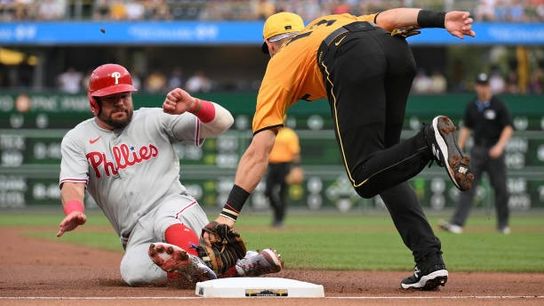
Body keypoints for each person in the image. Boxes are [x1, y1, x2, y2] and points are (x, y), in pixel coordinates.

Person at [204, 9, 476, 291]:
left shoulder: (280, 62)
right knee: (386, 168)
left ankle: (427, 140)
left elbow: (259, 150)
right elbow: (392, 19)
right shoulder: (327, 23)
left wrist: (228, 215)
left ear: (271, 45)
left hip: (351, 56)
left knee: (364, 176)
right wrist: (440, 20)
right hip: (396, 50)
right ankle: (429, 261)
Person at [56, 63, 282, 288]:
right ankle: (238, 266)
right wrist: (74, 210)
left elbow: (223, 122)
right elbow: (72, 183)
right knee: (133, 273)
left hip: (175, 209)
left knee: (165, 220)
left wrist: (194, 104)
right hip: (135, 232)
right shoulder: (78, 138)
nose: (120, 102)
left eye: (124, 95)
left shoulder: (155, 119)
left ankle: (198, 262)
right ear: (94, 102)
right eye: (111, 98)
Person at [440, 72, 513, 234]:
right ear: (476, 87)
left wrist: (500, 146)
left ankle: (503, 225)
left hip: (495, 151)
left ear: (489, 86)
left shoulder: (498, 105)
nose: (482, 88)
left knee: (501, 189)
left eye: (485, 85)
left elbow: (508, 128)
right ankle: (457, 224)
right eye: (480, 85)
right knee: (467, 185)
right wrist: (458, 149)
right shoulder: (472, 105)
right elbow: (466, 128)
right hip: (477, 151)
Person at [265, 126, 302, 228]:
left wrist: (296, 168)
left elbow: (295, 153)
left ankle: (279, 219)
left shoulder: (289, 134)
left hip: (285, 166)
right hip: (271, 165)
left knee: (282, 193)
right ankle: (277, 213)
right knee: (268, 191)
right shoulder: (269, 133)